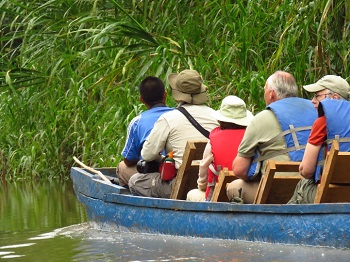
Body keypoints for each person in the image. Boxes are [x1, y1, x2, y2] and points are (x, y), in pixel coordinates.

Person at [227, 71, 317, 204]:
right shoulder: (317, 110)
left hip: (277, 191)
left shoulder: (261, 118)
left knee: (233, 187)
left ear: (271, 93)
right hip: (312, 188)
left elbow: (240, 170)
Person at [128, 69, 219, 198]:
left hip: (180, 185)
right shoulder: (217, 116)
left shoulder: (169, 118)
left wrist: (164, 159)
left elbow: (147, 155)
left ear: (177, 93)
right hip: (211, 183)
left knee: (135, 181)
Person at [288, 75, 350, 204]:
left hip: (330, 195)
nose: (312, 100)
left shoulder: (322, 122)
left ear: (334, 98)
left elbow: (306, 170)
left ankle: (285, 223)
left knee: (302, 185)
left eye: (317, 96)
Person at [186, 95, 253, 202]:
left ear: (221, 120)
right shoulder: (252, 138)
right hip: (244, 195)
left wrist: (201, 185)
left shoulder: (213, 140)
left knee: (192, 194)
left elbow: (203, 170)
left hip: (218, 198)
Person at [116, 76, 173, 187]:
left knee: (122, 167)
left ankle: (132, 195)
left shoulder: (137, 122)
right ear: (165, 94)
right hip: (176, 168)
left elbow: (128, 160)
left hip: (154, 175)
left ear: (141, 99)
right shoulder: (178, 115)